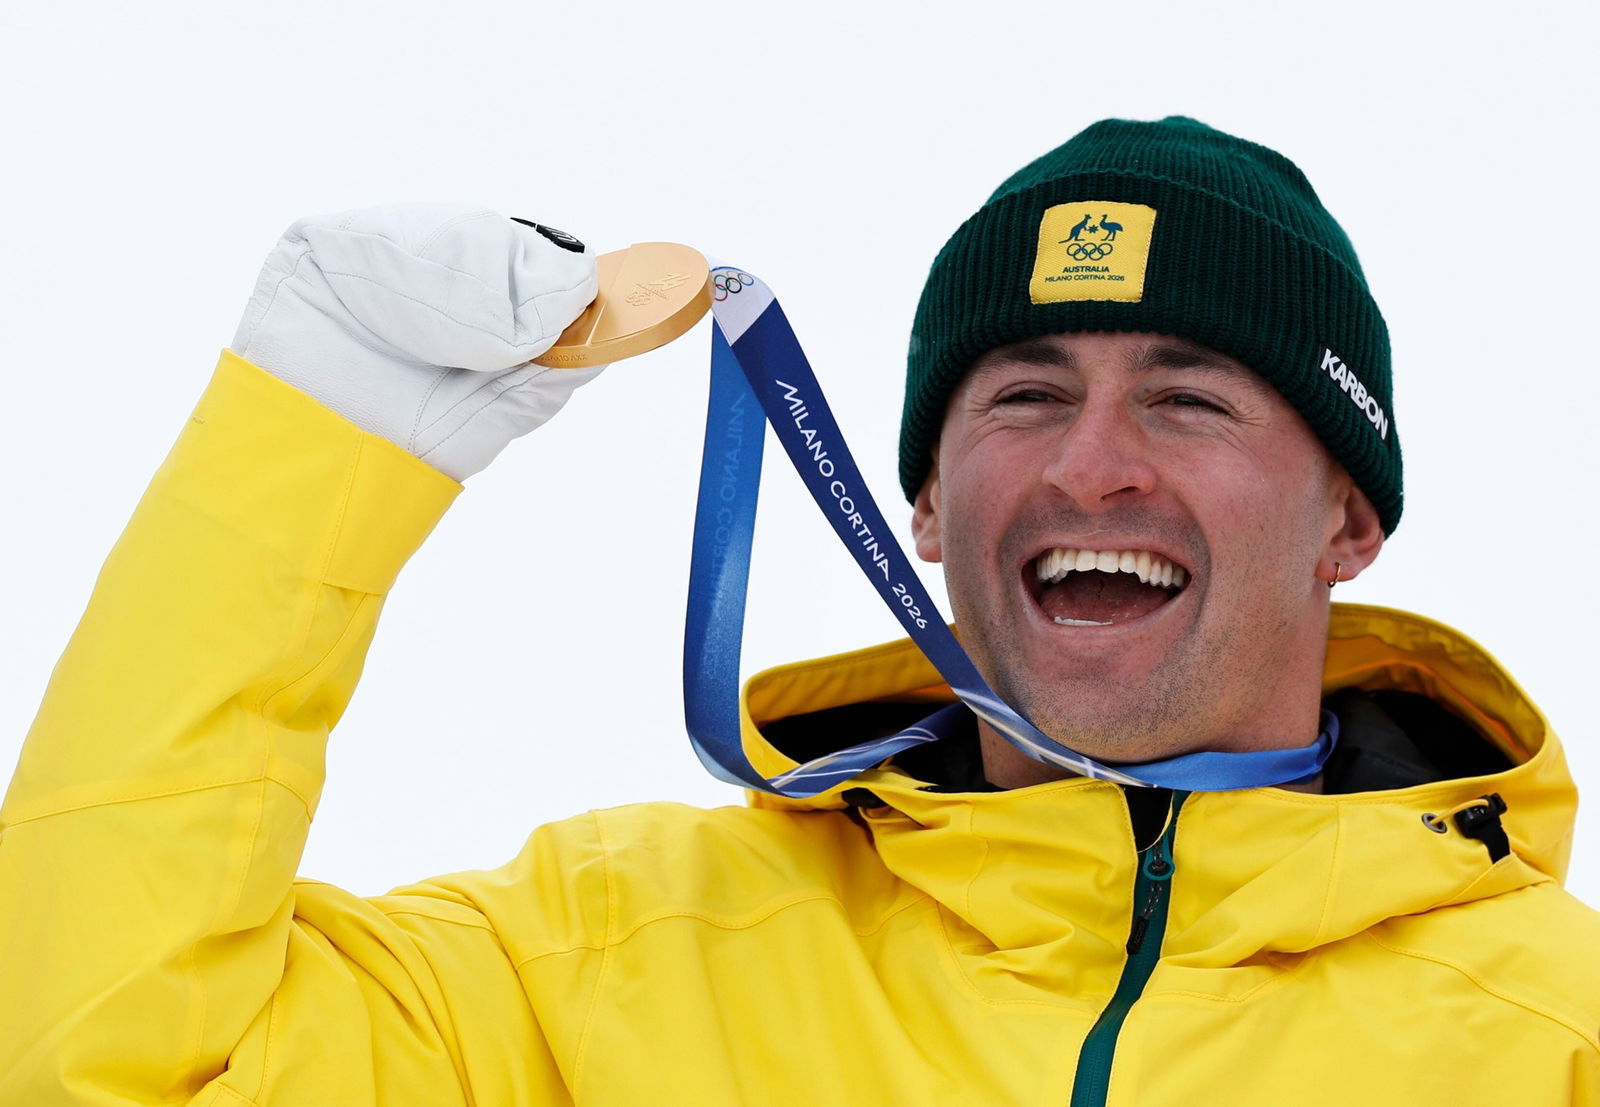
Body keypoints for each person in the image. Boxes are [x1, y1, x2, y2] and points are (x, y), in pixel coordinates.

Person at [2, 116, 1596, 1105]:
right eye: (1022, 395)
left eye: (1188, 402)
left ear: (1351, 519)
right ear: (922, 508)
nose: (1089, 467)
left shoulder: (1554, 1034)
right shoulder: (615, 960)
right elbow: (114, 1070)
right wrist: (313, 442)